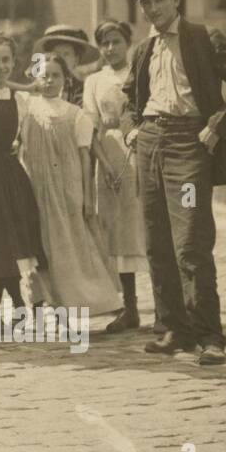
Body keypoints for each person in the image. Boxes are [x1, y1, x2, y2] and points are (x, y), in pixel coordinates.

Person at [121, 0, 226, 365]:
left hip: (189, 146)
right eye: (145, 3)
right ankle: (173, 330)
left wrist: (218, 127)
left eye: (158, 0)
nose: (152, 9)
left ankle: (209, 336)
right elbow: (130, 97)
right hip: (150, 144)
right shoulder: (143, 49)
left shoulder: (203, 37)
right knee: (156, 242)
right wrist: (132, 132)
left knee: (191, 242)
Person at [19, 53, 123, 320]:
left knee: (70, 244)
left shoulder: (76, 115)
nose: (50, 81)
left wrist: (88, 197)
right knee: (40, 244)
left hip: (67, 188)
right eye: (44, 74)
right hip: (35, 187)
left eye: (56, 75)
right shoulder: (27, 107)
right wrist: (28, 88)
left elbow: (84, 157)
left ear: (65, 80)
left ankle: (82, 300)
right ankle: (45, 301)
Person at [82, 20, 154, 334]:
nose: (110, 49)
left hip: (138, 150)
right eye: (105, 43)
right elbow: (91, 128)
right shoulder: (94, 80)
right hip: (108, 154)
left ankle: (167, 307)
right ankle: (129, 306)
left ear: (128, 42)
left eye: (116, 42)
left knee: (140, 227)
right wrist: (106, 166)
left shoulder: (140, 72)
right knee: (115, 230)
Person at [0, 33, 46, 324]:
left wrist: (23, 85)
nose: (0, 66)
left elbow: (23, 138)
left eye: (6, 60)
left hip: (9, 175)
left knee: (9, 244)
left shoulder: (20, 100)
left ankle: (10, 308)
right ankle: (9, 306)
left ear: (14, 62)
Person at [33, 25, 96, 107]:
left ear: (76, 60)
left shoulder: (85, 91)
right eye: (57, 53)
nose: (61, 58)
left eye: (66, 54)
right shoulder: (38, 86)